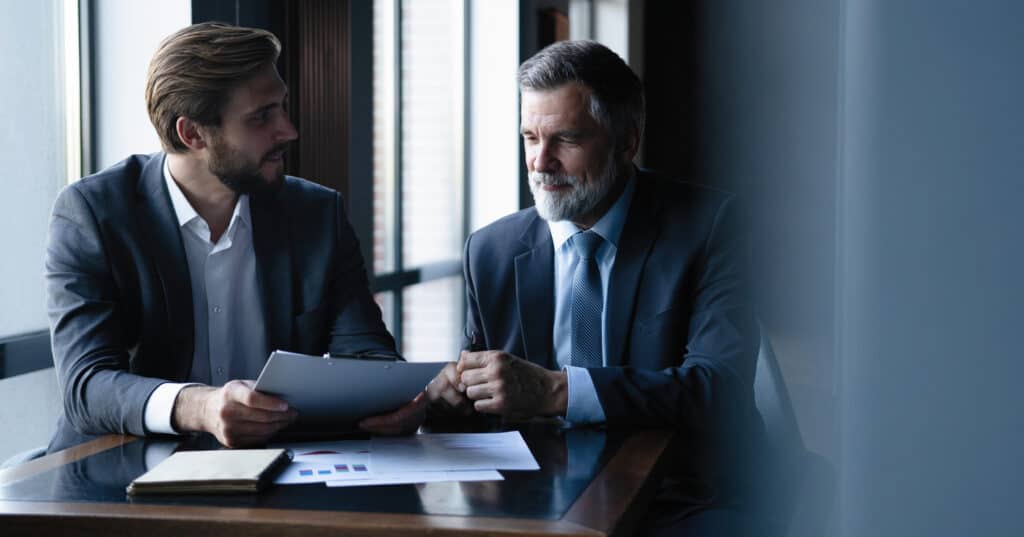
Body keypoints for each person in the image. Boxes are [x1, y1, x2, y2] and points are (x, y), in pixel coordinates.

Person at [433, 40, 770, 535]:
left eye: (565, 140)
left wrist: (557, 390)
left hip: (681, 497)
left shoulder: (709, 226)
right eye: (529, 138)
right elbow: (485, 408)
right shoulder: (491, 250)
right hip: (536, 499)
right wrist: (449, 401)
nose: (540, 162)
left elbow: (720, 389)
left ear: (627, 142)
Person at [45, 22, 423, 452]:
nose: (288, 130)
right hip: (121, 466)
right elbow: (86, 385)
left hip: (279, 467)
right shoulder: (94, 213)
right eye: (262, 116)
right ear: (193, 134)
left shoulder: (317, 214)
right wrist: (199, 407)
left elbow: (368, 355)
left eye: (282, 107)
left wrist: (398, 400)